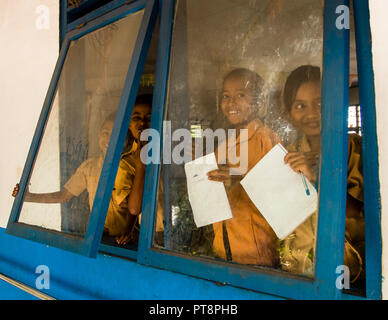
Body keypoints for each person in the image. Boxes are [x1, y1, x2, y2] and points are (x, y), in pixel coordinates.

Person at [12, 94, 153, 246]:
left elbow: (138, 205)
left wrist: (129, 230)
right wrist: (28, 197)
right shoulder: (89, 167)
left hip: (128, 242)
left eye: (115, 134)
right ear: (98, 135)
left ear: (127, 137)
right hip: (98, 240)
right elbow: (63, 195)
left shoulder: (134, 164)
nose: (109, 139)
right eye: (105, 133)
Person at [280, 65, 365, 283]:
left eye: (319, 103)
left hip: (346, 271)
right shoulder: (288, 154)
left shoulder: (352, 148)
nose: (311, 113)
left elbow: (354, 210)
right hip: (297, 269)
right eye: (300, 105)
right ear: (289, 112)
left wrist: (318, 177)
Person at [207, 68, 280, 267]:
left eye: (240, 95)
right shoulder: (225, 144)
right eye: (226, 96)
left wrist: (238, 182)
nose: (231, 102)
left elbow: (280, 194)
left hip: (256, 254)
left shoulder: (266, 139)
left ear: (259, 102)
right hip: (223, 248)